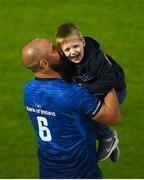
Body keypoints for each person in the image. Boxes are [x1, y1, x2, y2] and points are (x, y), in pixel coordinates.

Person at [22, 38, 120, 179]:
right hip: (79, 170)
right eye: (53, 49)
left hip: (48, 170)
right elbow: (113, 117)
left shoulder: (28, 91)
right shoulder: (72, 93)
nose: (60, 50)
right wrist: (107, 79)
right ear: (44, 64)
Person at [56, 23, 126, 162]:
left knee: (89, 110)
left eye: (76, 46)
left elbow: (109, 81)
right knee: (78, 110)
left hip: (114, 91)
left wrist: (83, 89)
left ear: (83, 42)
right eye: (67, 49)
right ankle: (109, 143)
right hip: (94, 89)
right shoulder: (66, 61)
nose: (73, 52)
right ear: (62, 51)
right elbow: (66, 79)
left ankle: (107, 138)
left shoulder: (95, 58)